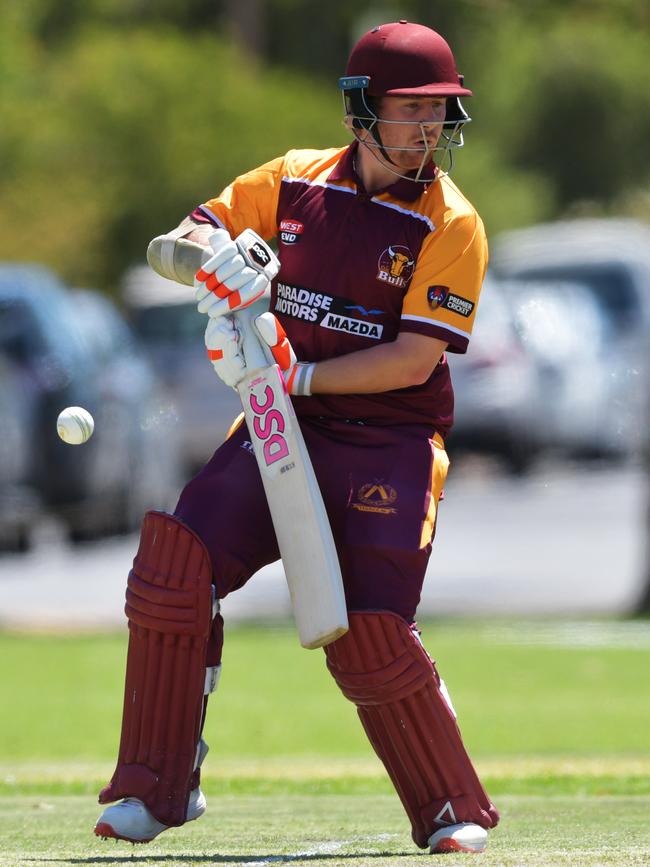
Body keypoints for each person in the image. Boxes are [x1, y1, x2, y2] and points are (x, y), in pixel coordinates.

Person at [94, 20, 499, 855]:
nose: (430, 127)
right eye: (412, 107)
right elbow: (175, 239)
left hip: (388, 442)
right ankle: (156, 787)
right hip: (282, 429)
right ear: (361, 110)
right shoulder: (290, 181)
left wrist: (297, 376)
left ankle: (450, 808)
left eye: (441, 109)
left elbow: (413, 359)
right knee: (175, 569)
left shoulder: (452, 222)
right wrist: (212, 259)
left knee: (370, 634)